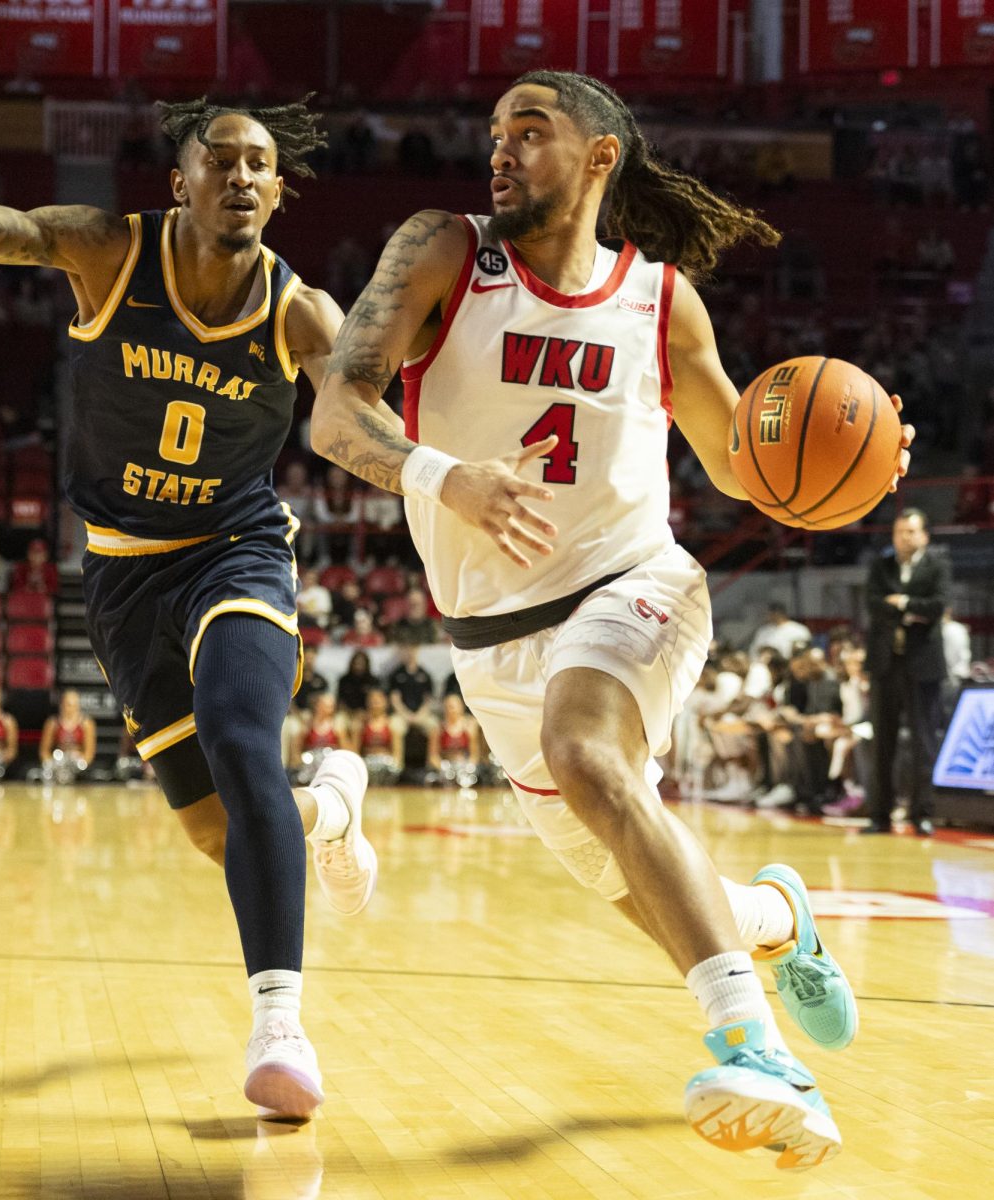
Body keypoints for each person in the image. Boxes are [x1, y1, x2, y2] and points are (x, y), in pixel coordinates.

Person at [311, 70, 912, 1167]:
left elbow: (741, 462)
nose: (500, 148)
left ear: (599, 156)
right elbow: (335, 410)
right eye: (494, 129)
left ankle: (756, 1048)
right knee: (638, 885)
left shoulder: (659, 299)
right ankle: (774, 921)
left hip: (634, 583)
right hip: (490, 648)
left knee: (586, 753)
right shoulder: (443, 251)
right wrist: (448, 477)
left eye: (529, 131)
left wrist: (856, 463)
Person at [0, 94, 378, 1119]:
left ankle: (279, 1024)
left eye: (260, 166)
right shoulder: (107, 251)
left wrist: (415, 452)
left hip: (236, 551)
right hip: (120, 568)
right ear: (179, 182)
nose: (242, 176)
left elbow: (349, 415)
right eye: (223, 160)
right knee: (215, 831)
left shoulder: (299, 311)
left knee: (245, 742)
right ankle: (332, 803)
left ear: (278, 192)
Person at [863, 509, 948, 836]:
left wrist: (899, 603)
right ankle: (879, 815)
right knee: (881, 743)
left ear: (924, 535)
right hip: (886, 664)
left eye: (911, 532)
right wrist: (912, 608)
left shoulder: (938, 567)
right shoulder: (881, 566)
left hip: (922, 665)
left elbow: (937, 606)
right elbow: (873, 604)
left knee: (923, 742)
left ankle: (922, 814)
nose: (904, 537)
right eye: (899, 532)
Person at [39, 689, 97, 781]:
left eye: (74, 705)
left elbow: (89, 752)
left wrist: (82, 763)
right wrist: (50, 764)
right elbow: (44, 751)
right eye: (68, 704)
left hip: (78, 765)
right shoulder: (52, 723)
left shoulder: (86, 724)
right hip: (59, 762)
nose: (70, 708)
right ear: (61, 705)